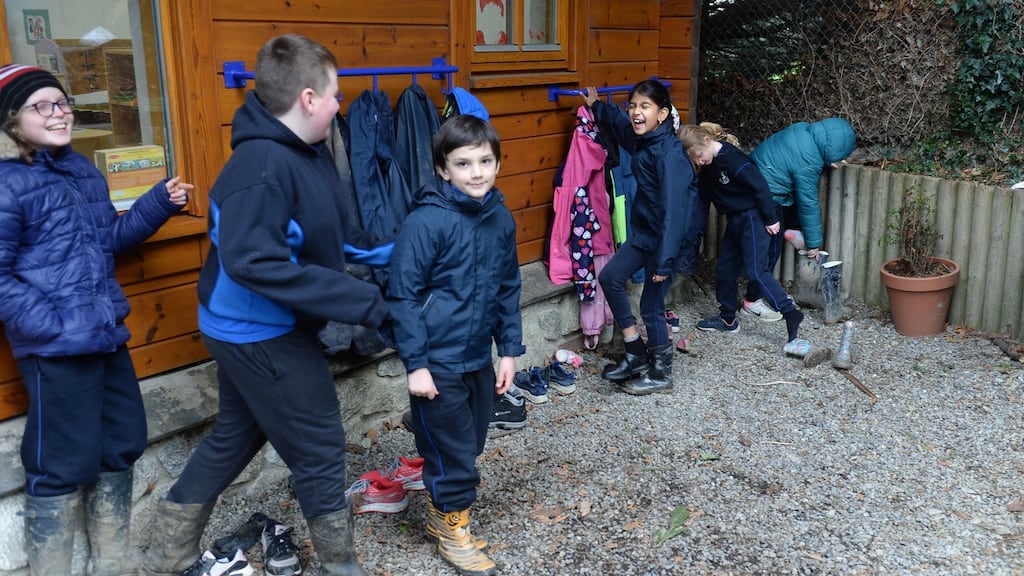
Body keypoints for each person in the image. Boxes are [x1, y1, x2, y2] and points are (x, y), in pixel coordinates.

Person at [143, 34, 389, 576]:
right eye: (334, 95)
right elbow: (257, 263)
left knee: (239, 431)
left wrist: (398, 249)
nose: (337, 104)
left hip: (262, 323)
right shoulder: (258, 169)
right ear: (306, 98)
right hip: (253, 329)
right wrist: (368, 302)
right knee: (320, 447)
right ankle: (340, 567)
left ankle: (165, 553)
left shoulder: (307, 152)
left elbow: (327, 234)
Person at [0, 64, 190, 575]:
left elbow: (107, 242)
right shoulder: (6, 184)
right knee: (60, 464)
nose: (59, 113)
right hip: (57, 347)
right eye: (42, 105)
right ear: (11, 119)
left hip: (106, 335)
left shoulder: (82, 170)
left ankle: (110, 566)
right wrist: (52, 324)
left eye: (62, 103)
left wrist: (156, 205)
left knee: (121, 445)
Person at [387, 113, 525, 576]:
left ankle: (440, 508)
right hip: (436, 360)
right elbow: (403, 295)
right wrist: (417, 364)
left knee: (472, 439)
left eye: (485, 161)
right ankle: (453, 527)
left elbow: (508, 286)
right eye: (463, 164)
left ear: (498, 163)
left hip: (476, 357)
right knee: (453, 450)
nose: (477, 172)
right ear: (443, 170)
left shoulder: (500, 219)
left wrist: (508, 350)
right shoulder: (427, 223)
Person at [582, 80, 698, 395]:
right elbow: (621, 128)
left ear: (662, 114)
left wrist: (664, 261)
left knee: (651, 306)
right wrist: (597, 106)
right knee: (610, 277)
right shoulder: (644, 140)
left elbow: (675, 215)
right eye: (633, 105)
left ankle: (661, 373)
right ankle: (635, 353)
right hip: (644, 236)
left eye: (644, 107)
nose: (635, 112)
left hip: (665, 244)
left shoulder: (670, 155)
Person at [679, 122, 820, 361]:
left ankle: (790, 313)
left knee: (756, 270)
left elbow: (760, 186)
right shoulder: (708, 165)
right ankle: (727, 318)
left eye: (699, 157)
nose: (699, 162)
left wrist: (770, 217)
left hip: (754, 218)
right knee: (725, 268)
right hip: (736, 220)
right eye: (695, 160)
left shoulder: (732, 159)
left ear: (706, 142)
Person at [741, 118, 856, 320]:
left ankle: (769, 291)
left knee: (761, 246)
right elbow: (808, 202)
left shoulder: (803, 130)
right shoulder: (809, 163)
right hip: (766, 195)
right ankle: (753, 300)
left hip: (754, 177)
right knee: (769, 250)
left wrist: (828, 158)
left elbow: (793, 159)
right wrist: (814, 243)